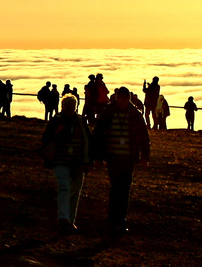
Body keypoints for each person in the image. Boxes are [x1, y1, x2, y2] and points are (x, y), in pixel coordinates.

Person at [92, 87, 150, 237]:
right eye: (121, 98)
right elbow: (97, 135)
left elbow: (144, 136)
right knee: (116, 188)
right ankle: (114, 220)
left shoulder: (133, 114)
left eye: (125, 99)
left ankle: (120, 220)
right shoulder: (110, 113)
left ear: (128, 99)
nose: (123, 101)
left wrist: (145, 156)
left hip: (128, 159)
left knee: (123, 189)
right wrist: (97, 156)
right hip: (113, 158)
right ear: (117, 98)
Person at [41, 94, 91, 234]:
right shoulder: (61, 121)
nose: (70, 110)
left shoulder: (79, 121)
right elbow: (47, 138)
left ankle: (69, 220)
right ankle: (65, 219)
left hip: (76, 162)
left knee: (73, 190)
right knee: (66, 187)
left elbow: (87, 141)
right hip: (62, 161)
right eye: (68, 108)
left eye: (72, 108)